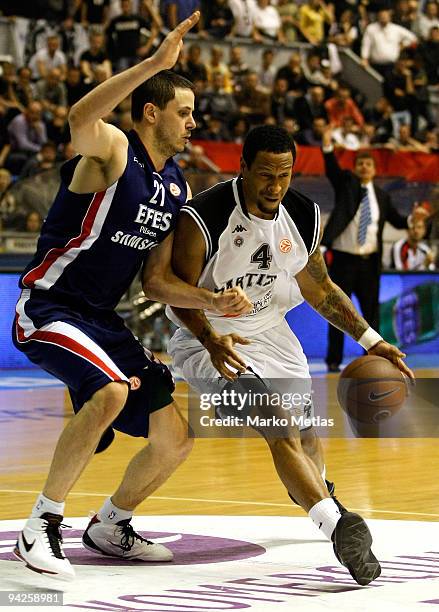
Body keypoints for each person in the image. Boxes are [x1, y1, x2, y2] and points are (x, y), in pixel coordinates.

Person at [12, 11, 251, 582]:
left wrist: (212, 304)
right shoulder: (115, 149)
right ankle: (40, 524)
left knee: (175, 437)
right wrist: (152, 65)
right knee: (111, 394)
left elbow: (156, 283)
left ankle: (110, 524)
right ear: (152, 112)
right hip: (48, 305)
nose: (194, 122)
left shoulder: (177, 186)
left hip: (100, 321)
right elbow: (78, 116)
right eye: (184, 112)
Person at [162, 125, 413, 586]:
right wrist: (210, 334)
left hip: (272, 333)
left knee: (306, 437)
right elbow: (179, 295)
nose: (274, 186)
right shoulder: (206, 215)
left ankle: (319, 495)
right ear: (242, 169)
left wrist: (372, 341)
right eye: (264, 175)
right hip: (209, 337)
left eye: (284, 174)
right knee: (276, 422)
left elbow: (320, 290)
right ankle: (338, 526)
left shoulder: (301, 214)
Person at [320, 126, 427, 372]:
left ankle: (371, 359)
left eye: (369, 164)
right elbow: (332, 171)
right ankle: (333, 361)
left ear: (375, 169)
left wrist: (413, 219)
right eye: (361, 164)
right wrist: (327, 148)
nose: (365, 167)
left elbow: (398, 221)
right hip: (344, 261)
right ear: (356, 168)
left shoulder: (381, 196)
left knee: (371, 314)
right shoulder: (346, 184)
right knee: (337, 312)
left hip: (369, 263)